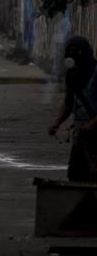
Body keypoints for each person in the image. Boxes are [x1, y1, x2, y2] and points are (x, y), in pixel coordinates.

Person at [48, 36, 97, 182]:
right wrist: (57, 123)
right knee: (76, 175)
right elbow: (68, 102)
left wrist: (91, 125)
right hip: (80, 133)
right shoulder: (73, 75)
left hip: (93, 130)